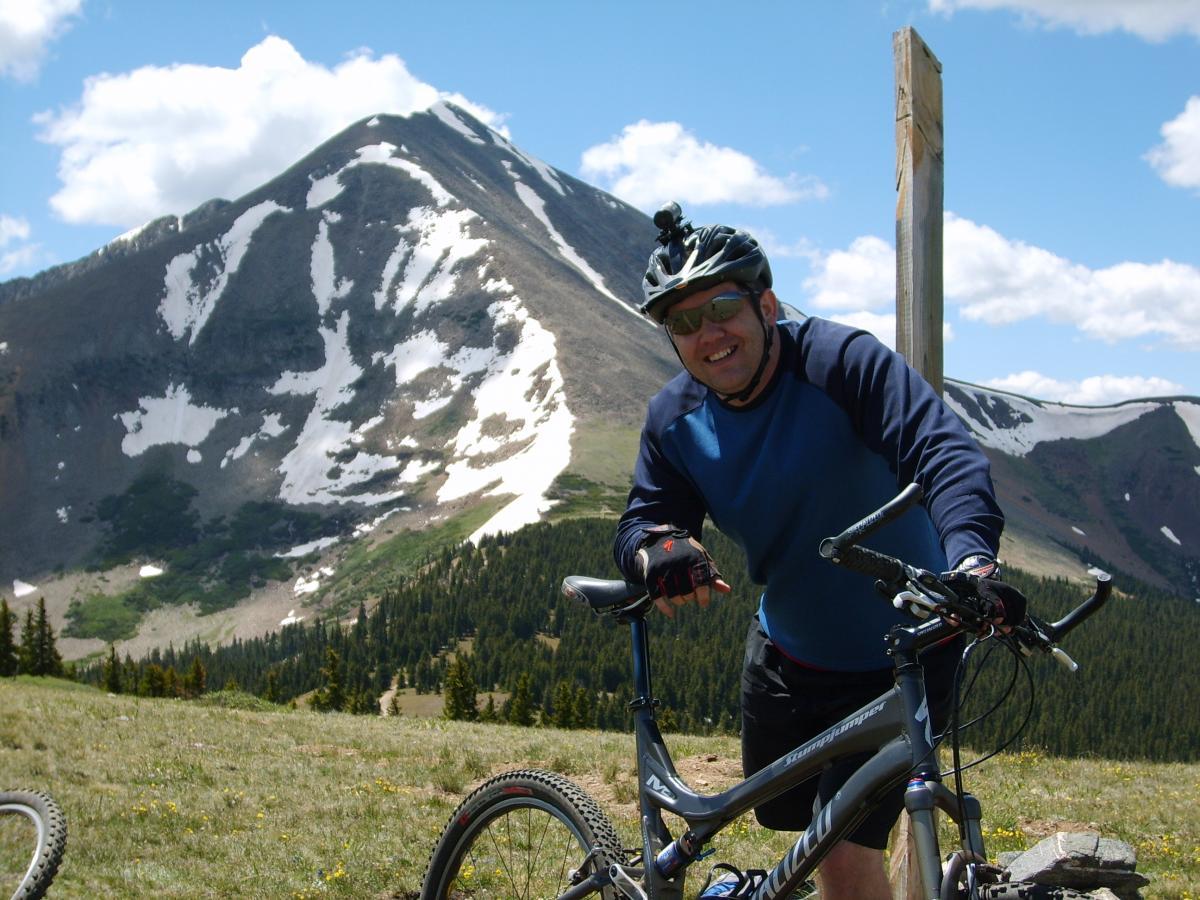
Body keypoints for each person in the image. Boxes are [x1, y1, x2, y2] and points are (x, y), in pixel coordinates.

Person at [613, 203, 1008, 900]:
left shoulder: (839, 363)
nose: (709, 335)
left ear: (766, 305)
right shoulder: (673, 421)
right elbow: (645, 520)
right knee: (794, 837)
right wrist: (658, 547)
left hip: (907, 655)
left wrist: (973, 561)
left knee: (842, 850)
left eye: (724, 307)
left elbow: (943, 454)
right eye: (683, 322)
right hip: (788, 659)